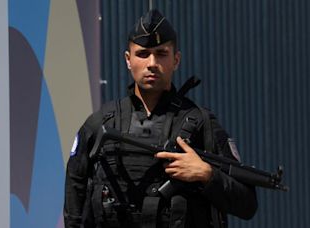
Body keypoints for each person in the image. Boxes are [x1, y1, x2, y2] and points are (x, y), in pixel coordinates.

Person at [64, 9, 257, 228]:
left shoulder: (202, 124)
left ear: (176, 60)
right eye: (143, 54)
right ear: (128, 60)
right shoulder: (100, 125)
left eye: (161, 53)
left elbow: (248, 204)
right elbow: (74, 203)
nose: (152, 63)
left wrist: (207, 174)